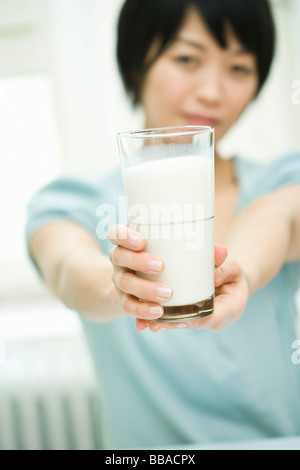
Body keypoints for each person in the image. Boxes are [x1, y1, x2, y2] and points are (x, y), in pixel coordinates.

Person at [26, 0, 300, 449]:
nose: (213, 91)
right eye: (187, 59)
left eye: (239, 68)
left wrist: (242, 271)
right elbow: (66, 268)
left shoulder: (281, 180)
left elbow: (281, 218)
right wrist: (119, 286)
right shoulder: (74, 201)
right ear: (138, 62)